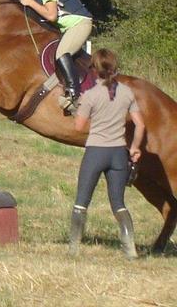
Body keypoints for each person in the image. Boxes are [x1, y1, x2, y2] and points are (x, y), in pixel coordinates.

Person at [70, 48, 145, 259]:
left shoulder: (90, 95)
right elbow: (140, 125)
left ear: (94, 70)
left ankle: (74, 249)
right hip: (119, 153)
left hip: (96, 152)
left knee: (81, 202)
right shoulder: (127, 92)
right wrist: (135, 147)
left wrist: (78, 108)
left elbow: (78, 126)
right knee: (119, 204)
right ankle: (130, 250)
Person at [19, 0, 93, 114]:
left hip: (79, 23)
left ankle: (74, 96)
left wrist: (29, 2)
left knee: (62, 54)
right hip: (69, 26)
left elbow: (51, 15)